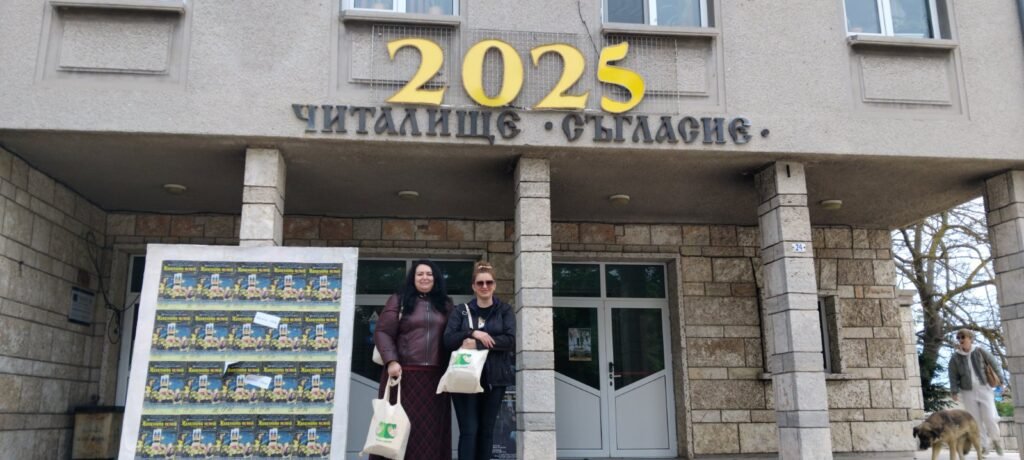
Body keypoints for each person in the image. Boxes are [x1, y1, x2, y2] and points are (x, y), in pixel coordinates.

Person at [372, 260, 453, 460]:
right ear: (413, 278)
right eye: (420, 274)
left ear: (435, 278)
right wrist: (391, 361)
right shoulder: (398, 300)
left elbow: (453, 335)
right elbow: (382, 332)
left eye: (429, 274)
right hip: (403, 376)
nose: (425, 277)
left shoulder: (445, 304)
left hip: (435, 380)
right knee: (399, 430)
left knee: (430, 434)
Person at [443, 261, 516, 460]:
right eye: (480, 283)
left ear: (494, 285)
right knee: (469, 431)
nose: (485, 286)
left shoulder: (504, 310)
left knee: (486, 431)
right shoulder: (461, 311)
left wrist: (477, 343)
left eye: (489, 282)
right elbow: (448, 339)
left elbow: (510, 341)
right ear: (473, 286)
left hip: (494, 379)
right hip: (464, 378)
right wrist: (472, 332)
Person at [949, 328, 1004, 456]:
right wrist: (954, 391)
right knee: (975, 421)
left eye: (963, 337)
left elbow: (994, 364)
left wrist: (1001, 381)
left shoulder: (980, 351)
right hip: (967, 392)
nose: (961, 340)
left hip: (984, 388)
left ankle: (996, 440)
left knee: (990, 417)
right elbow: (952, 375)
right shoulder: (955, 357)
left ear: (970, 338)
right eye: (959, 338)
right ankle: (984, 446)